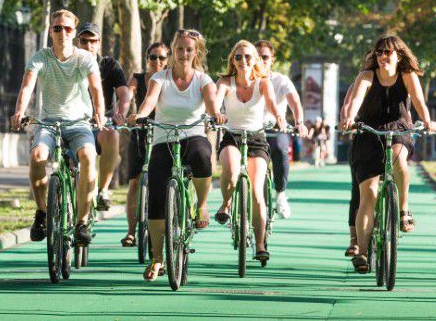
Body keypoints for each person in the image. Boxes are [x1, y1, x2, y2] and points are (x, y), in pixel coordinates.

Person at [128, 28, 224, 281]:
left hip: (192, 135)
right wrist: (140, 115)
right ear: (173, 51)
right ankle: (157, 258)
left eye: (189, 49)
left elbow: (212, 104)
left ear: (196, 53)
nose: (183, 53)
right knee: (156, 196)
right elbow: (149, 101)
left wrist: (215, 115)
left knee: (203, 155)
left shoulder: (204, 80)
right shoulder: (160, 78)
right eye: (179, 49)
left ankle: (201, 207)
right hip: (164, 139)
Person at [339, 35, 436, 273]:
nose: (383, 56)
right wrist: (350, 118)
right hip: (369, 133)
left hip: (399, 130)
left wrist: (427, 121)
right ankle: (362, 253)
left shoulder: (407, 76)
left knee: (399, 160)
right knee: (369, 194)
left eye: (389, 52)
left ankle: (403, 210)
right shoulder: (366, 76)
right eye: (380, 52)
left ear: (399, 55)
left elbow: (419, 101)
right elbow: (356, 99)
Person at [11, 10, 105, 247]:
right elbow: (27, 87)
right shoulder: (41, 57)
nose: (62, 32)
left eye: (67, 28)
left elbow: (96, 88)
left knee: (88, 157)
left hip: (78, 123)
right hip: (48, 122)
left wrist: (99, 113)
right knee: (37, 155)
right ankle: (42, 212)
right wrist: (20, 112)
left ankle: (82, 222)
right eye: (57, 28)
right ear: (51, 31)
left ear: (74, 32)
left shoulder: (84, 58)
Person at [214, 40, 289, 263]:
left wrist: (279, 118)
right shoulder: (225, 82)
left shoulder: (263, 83)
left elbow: (274, 106)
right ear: (232, 61)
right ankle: (226, 203)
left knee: (257, 191)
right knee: (230, 167)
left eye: (248, 57)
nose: (243, 61)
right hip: (232, 136)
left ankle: (260, 244)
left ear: (255, 60)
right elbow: (217, 100)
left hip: (256, 138)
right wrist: (216, 114)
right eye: (238, 57)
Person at [75, 23, 130, 212]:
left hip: (101, 124)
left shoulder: (110, 65)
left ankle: (103, 190)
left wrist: (120, 113)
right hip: (74, 122)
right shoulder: (68, 63)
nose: (88, 45)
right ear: (77, 42)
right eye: (84, 41)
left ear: (99, 43)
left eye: (93, 41)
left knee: (112, 135)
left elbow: (124, 94)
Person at [122, 41, 169, 247]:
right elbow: (128, 95)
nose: (157, 61)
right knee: (134, 182)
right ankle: (131, 232)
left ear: (168, 60)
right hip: (141, 132)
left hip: (165, 133)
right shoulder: (138, 78)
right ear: (146, 58)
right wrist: (124, 113)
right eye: (153, 57)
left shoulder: (170, 79)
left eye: (161, 58)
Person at [255, 41, 306, 217]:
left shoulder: (281, 80)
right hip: (252, 129)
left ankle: (280, 194)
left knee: (280, 149)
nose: (261, 60)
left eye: (265, 57)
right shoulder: (246, 78)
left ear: (272, 59)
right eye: (257, 56)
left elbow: (295, 102)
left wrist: (299, 121)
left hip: (276, 128)